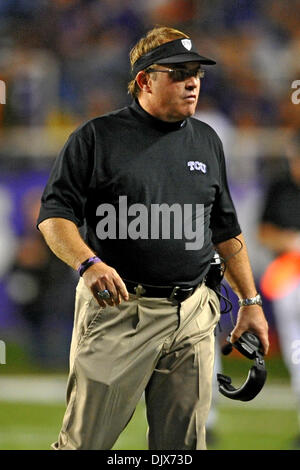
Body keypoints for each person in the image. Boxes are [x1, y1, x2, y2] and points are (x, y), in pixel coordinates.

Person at [37, 26, 269, 450]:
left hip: (194, 312)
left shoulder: (207, 139)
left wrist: (250, 303)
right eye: (178, 72)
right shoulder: (97, 138)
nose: (192, 81)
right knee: (84, 443)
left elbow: (226, 231)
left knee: (181, 450)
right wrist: (88, 264)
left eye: (196, 71)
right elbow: (54, 216)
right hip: (120, 311)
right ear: (144, 80)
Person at [258, 131, 300, 448]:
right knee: (297, 357)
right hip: (289, 277)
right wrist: (290, 242)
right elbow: (264, 232)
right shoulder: (281, 187)